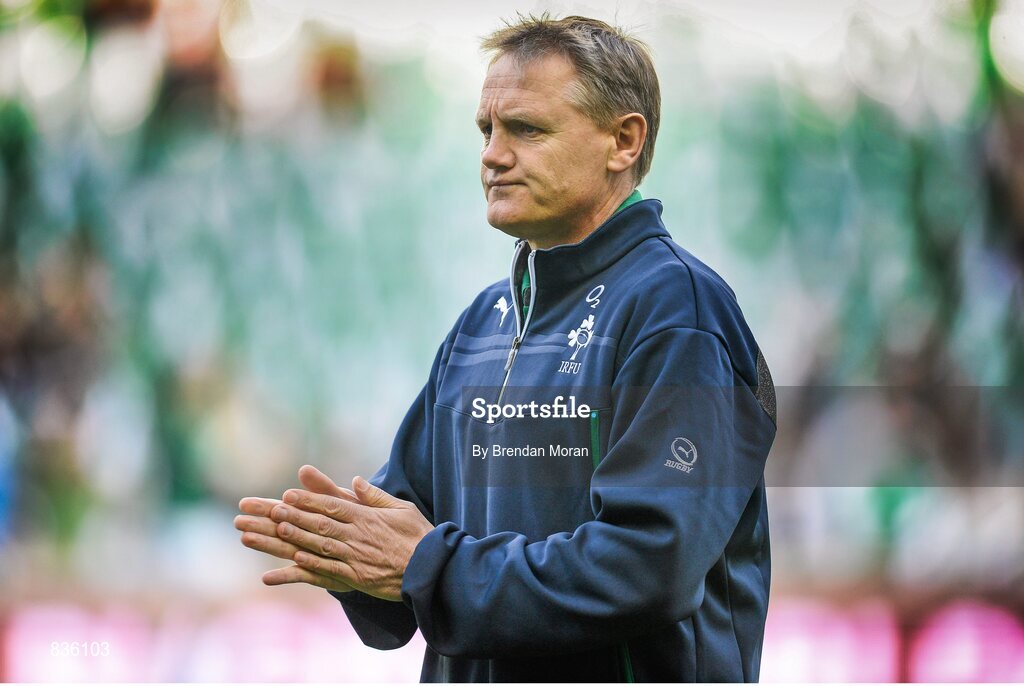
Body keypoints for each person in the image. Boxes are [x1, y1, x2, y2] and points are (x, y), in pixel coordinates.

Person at [235, 14, 777, 682]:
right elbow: (407, 543)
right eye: (486, 130)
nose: (493, 154)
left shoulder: (677, 311)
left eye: (526, 128)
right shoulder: (481, 324)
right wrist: (346, 554)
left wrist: (425, 567)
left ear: (623, 141)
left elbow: (647, 567)